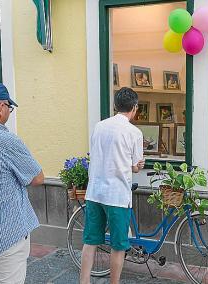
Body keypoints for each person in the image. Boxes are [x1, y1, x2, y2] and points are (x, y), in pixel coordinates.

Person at [0, 80, 44, 284]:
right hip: (5, 233)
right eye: (9, 108)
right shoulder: (4, 140)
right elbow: (37, 178)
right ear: (0, 107)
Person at [80, 87, 145, 284]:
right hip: (116, 195)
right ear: (134, 108)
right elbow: (134, 167)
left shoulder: (99, 126)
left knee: (90, 241)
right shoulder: (134, 132)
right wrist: (137, 166)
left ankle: (83, 281)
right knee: (118, 244)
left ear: (116, 106)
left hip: (94, 192)